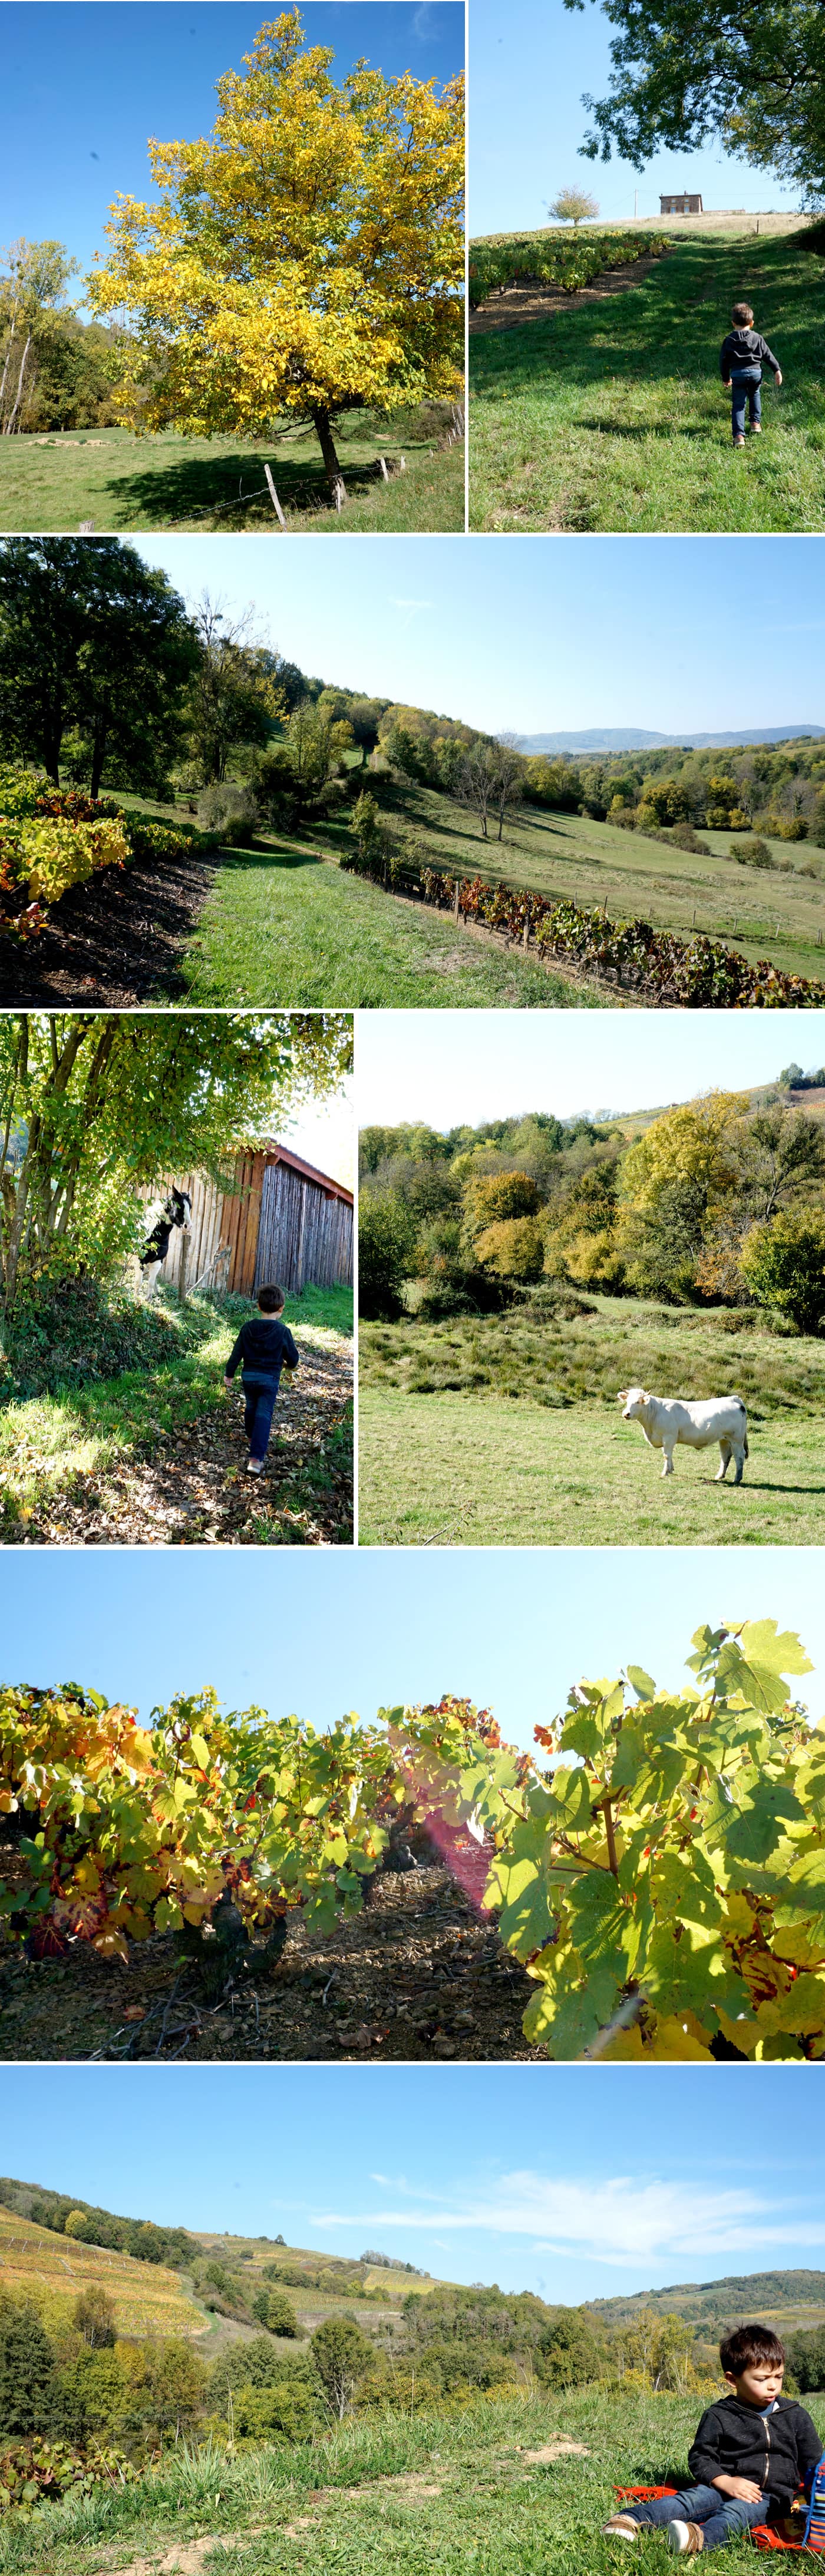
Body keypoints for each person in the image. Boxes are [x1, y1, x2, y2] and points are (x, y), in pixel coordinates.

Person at [602, 2323, 822, 2555]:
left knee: (736, 2515)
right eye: (761, 2379)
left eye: (778, 2376)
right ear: (733, 2379)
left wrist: (812, 2494)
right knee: (691, 2500)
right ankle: (630, 2519)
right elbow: (700, 2457)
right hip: (722, 2485)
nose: (773, 2386)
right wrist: (724, 2481)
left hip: (772, 2497)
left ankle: (696, 2539)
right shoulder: (720, 2415)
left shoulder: (795, 2415)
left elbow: (814, 2462)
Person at [223, 1282, 300, 1475]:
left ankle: (252, 1436)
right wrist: (288, 1365)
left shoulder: (248, 1327)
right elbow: (294, 1359)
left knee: (251, 1407)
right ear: (281, 1308)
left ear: (258, 1306)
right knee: (264, 1415)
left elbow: (236, 1353)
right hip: (269, 1380)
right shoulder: (283, 1332)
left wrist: (229, 1373)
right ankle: (256, 1460)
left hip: (248, 1378)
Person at [720, 302, 782, 448]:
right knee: (755, 395)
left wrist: (726, 378)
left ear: (733, 323)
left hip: (738, 374)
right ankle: (755, 424)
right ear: (752, 323)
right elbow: (768, 355)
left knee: (739, 405)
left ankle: (739, 436)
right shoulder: (757, 338)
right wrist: (776, 370)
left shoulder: (729, 340)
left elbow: (723, 361)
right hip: (755, 373)